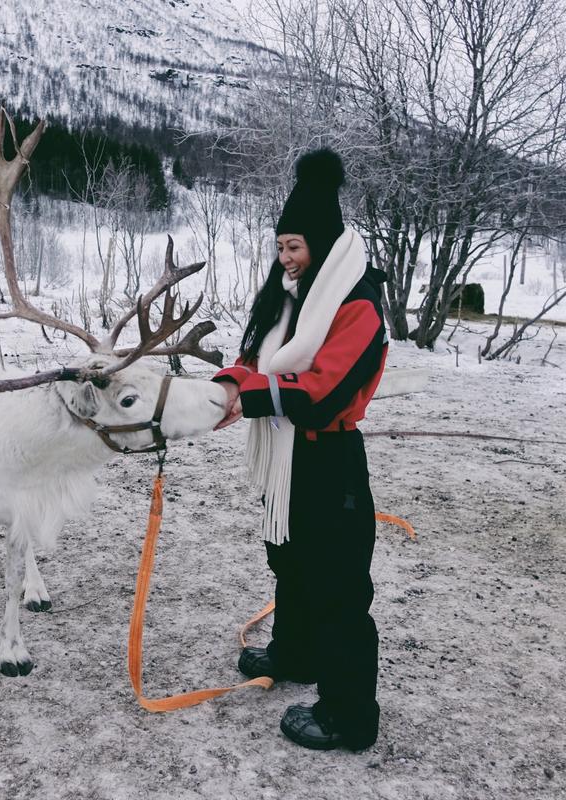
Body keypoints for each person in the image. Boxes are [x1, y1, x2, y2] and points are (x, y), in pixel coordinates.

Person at [213, 148, 388, 751]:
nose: (284, 259)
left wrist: (251, 393)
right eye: (280, 246)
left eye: (295, 247)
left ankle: (348, 714)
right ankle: (295, 652)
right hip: (287, 459)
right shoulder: (290, 298)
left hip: (329, 460)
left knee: (338, 589)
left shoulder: (356, 303)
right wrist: (231, 382)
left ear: (323, 242)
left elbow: (321, 393)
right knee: (288, 560)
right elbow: (259, 358)